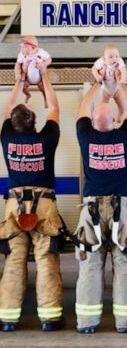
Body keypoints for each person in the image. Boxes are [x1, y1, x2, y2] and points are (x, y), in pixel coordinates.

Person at [73, 82, 127, 334]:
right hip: (121, 208)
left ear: (92, 120)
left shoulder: (84, 135)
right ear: (116, 120)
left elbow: (83, 107)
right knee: (124, 264)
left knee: (90, 265)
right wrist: (117, 85)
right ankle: (126, 323)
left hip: (91, 209)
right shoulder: (126, 135)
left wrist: (98, 86)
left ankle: (87, 322)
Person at [0, 71, 65, 332]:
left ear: (13, 123)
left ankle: (7, 317)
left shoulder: (7, 137)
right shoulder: (46, 138)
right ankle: (49, 318)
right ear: (34, 122)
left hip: (15, 207)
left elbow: (7, 108)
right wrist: (44, 80)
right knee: (46, 259)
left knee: (14, 261)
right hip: (44, 206)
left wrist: (20, 84)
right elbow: (55, 107)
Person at [14, 35, 52, 108]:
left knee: (43, 89)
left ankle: (45, 99)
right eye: (21, 47)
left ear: (33, 47)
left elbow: (49, 59)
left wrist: (44, 64)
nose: (22, 50)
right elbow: (18, 64)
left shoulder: (41, 53)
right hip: (28, 77)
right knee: (23, 87)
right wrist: (17, 73)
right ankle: (28, 95)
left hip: (39, 77)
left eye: (24, 47)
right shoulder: (22, 54)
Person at [92, 45, 127, 122]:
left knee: (121, 104)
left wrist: (123, 80)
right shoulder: (101, 61)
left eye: (116, 56)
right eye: (111, 57)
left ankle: (121, 113)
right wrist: (97, 76)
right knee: (103, 105)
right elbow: (93, 69)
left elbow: (123, 70)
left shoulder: (119, 60)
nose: (114, 59)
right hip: (105, 88)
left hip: (116, 88)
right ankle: (104, 119)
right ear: (105, 58)